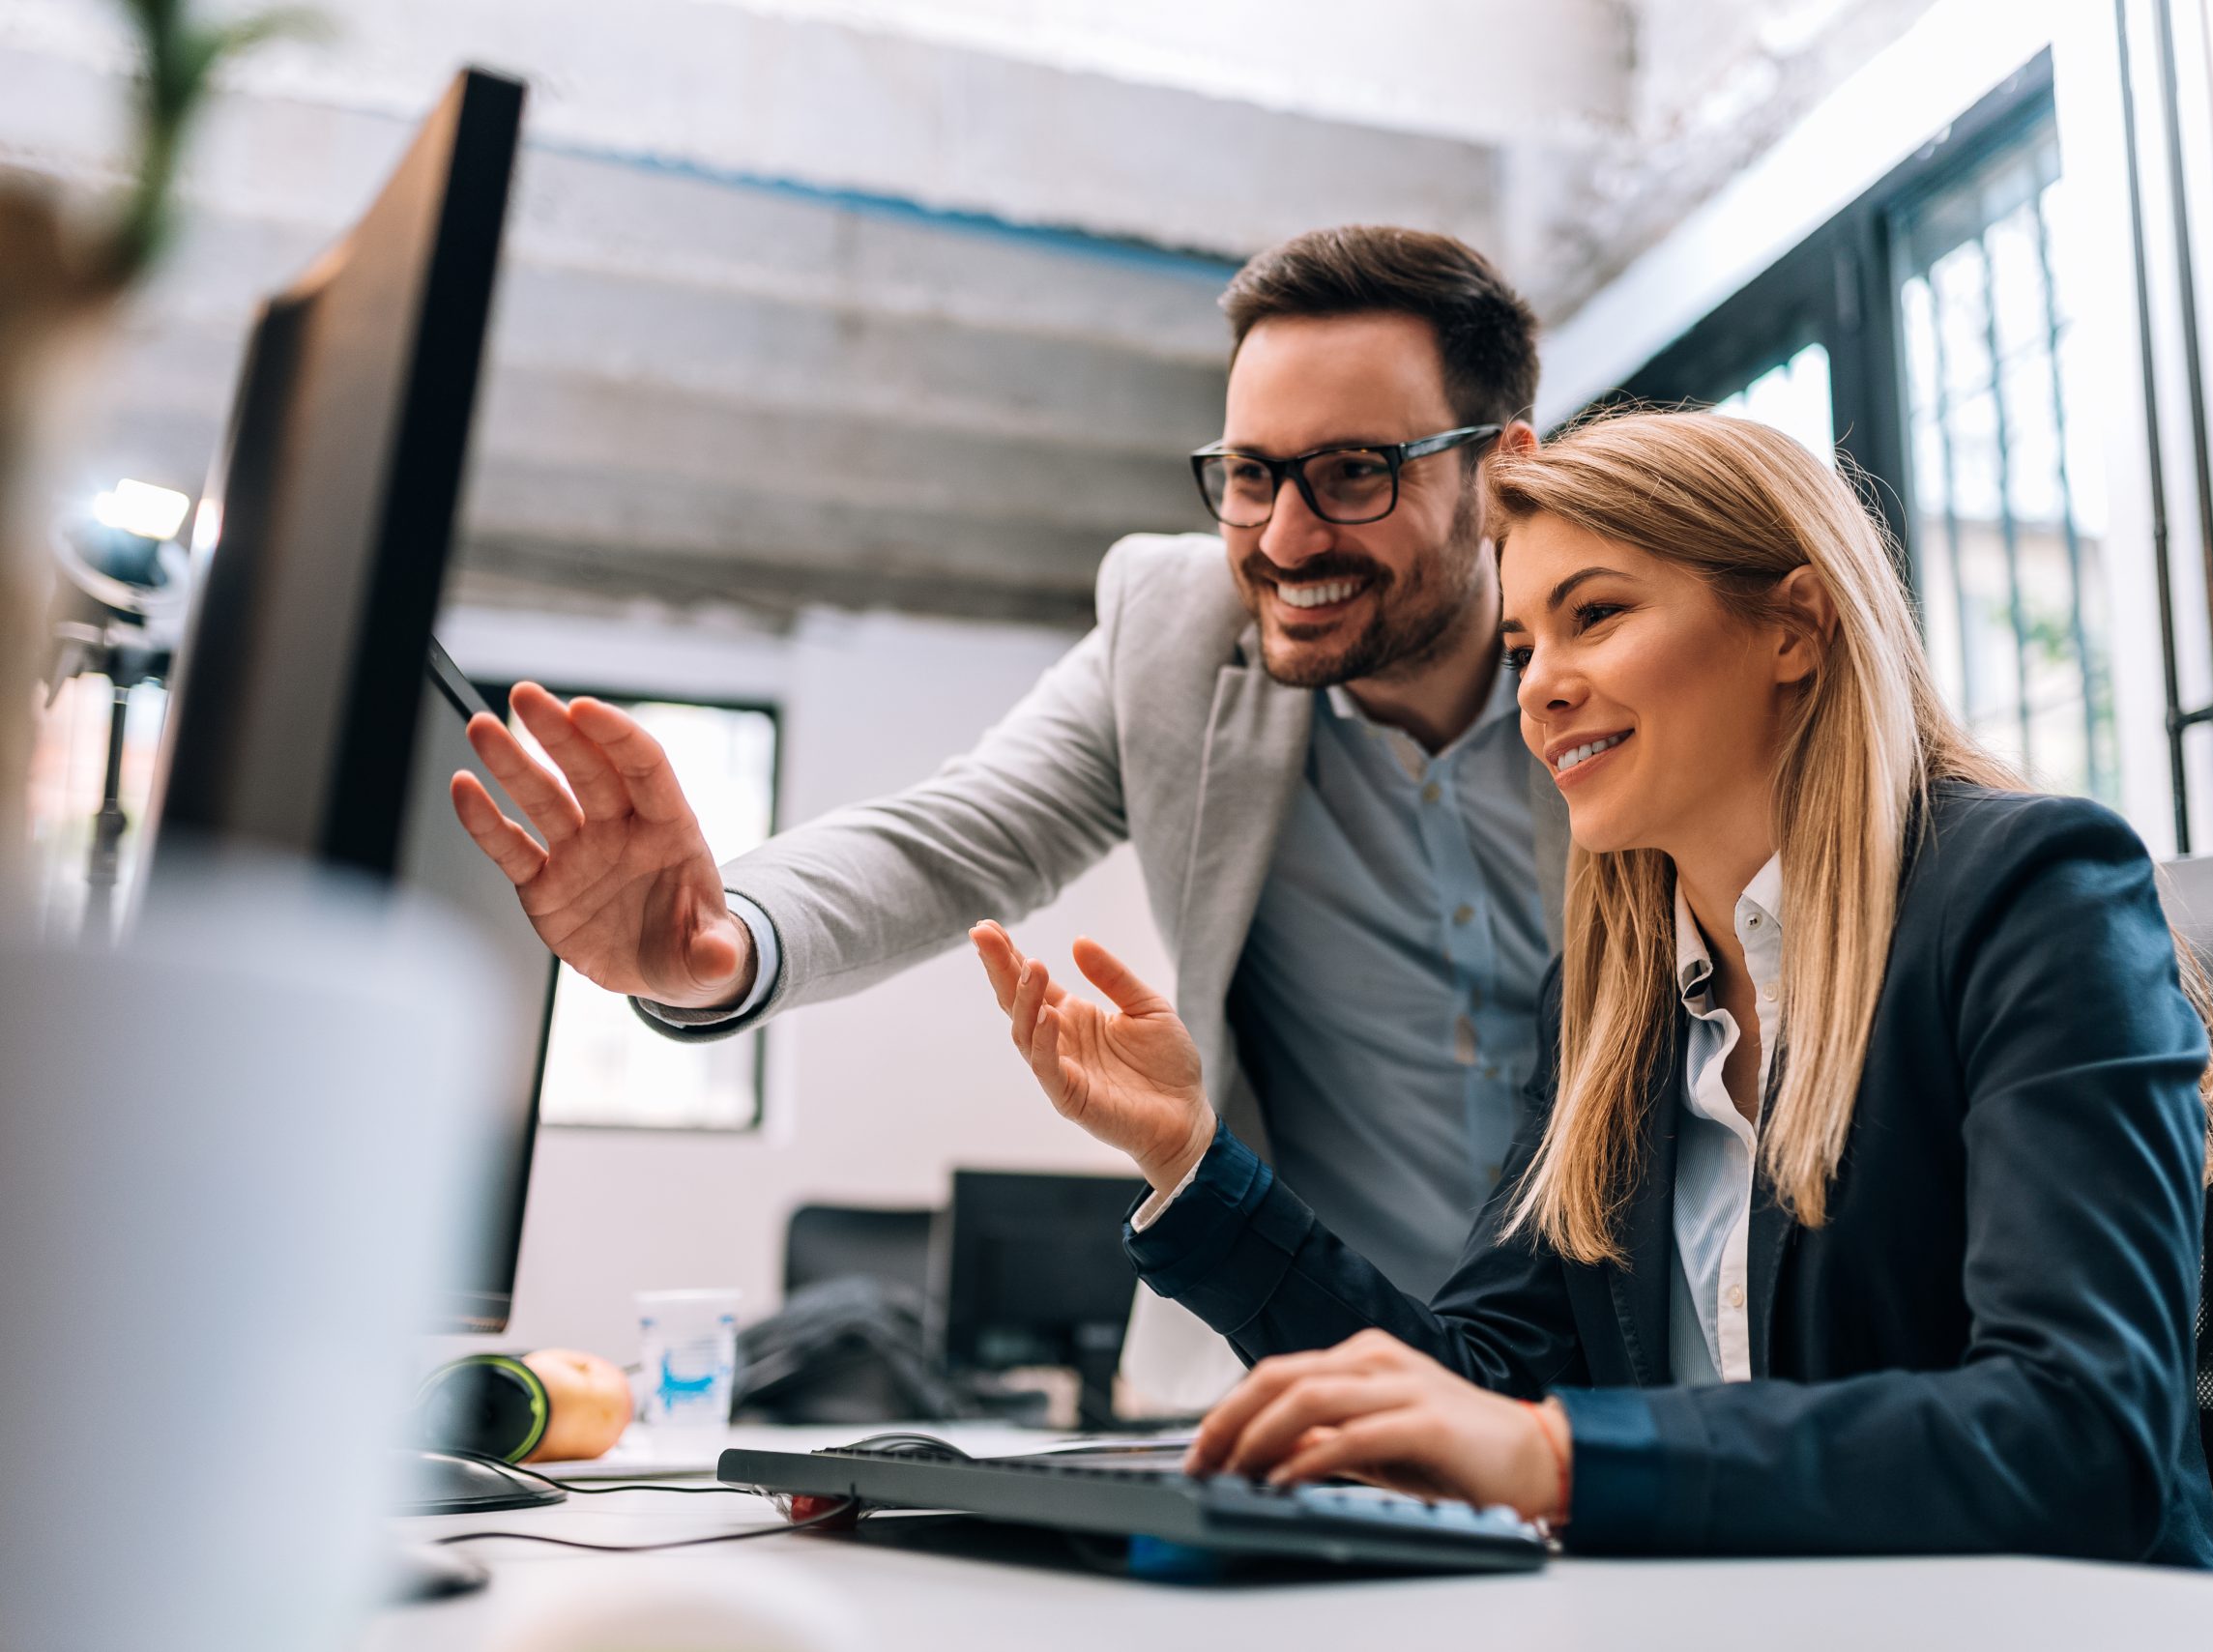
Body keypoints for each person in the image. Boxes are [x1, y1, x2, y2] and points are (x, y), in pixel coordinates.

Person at [966, 408, 2213, 1564]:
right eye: (1525, 642)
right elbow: (1470, 1386)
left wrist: (1562, 1461)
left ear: (1794, 626)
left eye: (1596, 616)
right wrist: (1194, 1161)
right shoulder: (1608, 1000)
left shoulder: (2034, 896)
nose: (1541, 687)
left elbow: (2083, 1431)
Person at [445, 227, 1566, 1400]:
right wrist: (726, 936)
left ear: (1500, 470)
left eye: (1353, 473)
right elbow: (958, 834)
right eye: (1248, 474)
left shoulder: (1627, 659)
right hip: (1306, 1371)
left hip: (1622, 1369)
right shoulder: (1177, 633)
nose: (1284, 538)